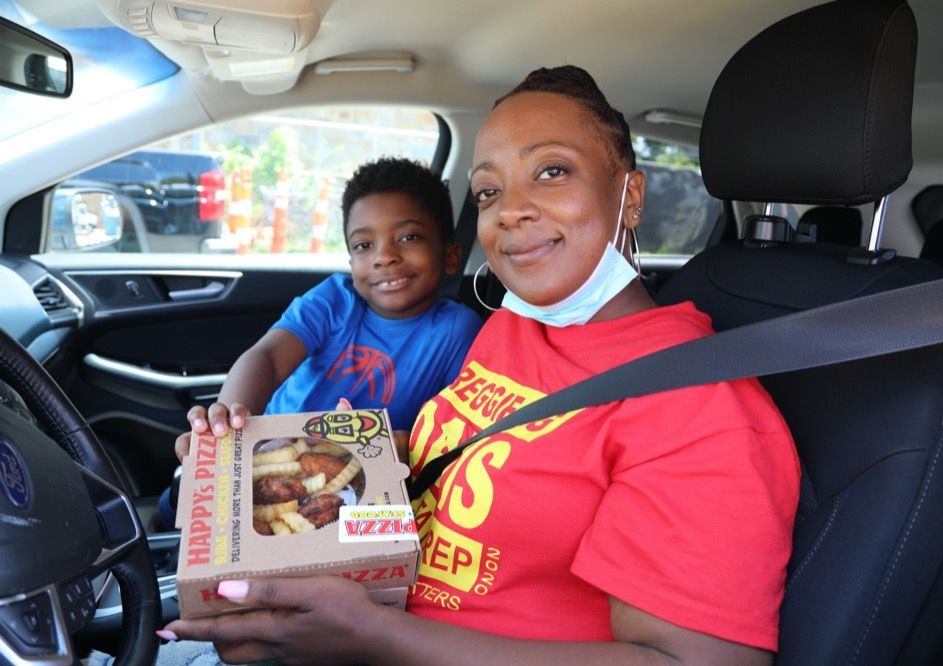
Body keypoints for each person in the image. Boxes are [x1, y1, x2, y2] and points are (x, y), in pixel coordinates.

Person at [162, 66, 800, 665]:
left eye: (552, 171)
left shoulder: (699, 406)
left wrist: (372, 635)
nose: (509, 211)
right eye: (489, 190)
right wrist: (261, 470)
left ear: (629, 197)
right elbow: (460, 464)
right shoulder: (515, 327)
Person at [169, 156, 482, 467]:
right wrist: (229, 419)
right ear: (350, 262)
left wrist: (394, 446)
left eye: (408, 237)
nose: (384, 257)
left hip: (361, 478)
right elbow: (269, 359)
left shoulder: (458, 330)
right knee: (175, 502)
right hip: (268, 456)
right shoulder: (336, 300)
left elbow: (453, 428)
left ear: (451, 257)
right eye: (363, 245)